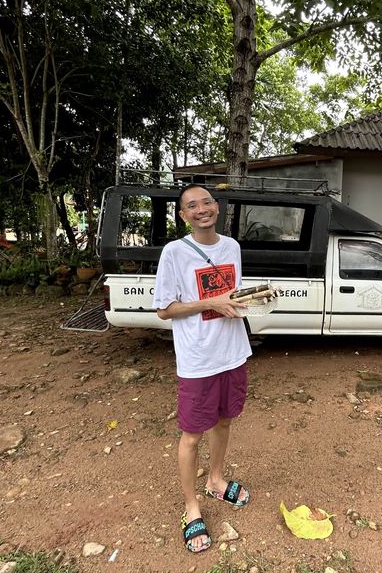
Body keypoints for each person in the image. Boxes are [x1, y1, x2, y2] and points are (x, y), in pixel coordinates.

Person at [153, 184, 251, 553]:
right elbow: (164, 308)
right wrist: (211, 301)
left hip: (233, 352)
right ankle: (191, 507)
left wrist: (250, 301)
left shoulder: (232, 247)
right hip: (198, 359)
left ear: (217, 207)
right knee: (192, 435)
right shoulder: (174, 252)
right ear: (183, 215)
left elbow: (233, 297)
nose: (201, 209)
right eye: (191, 206)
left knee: (225, 421)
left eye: (206, 202)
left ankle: (216, 480)